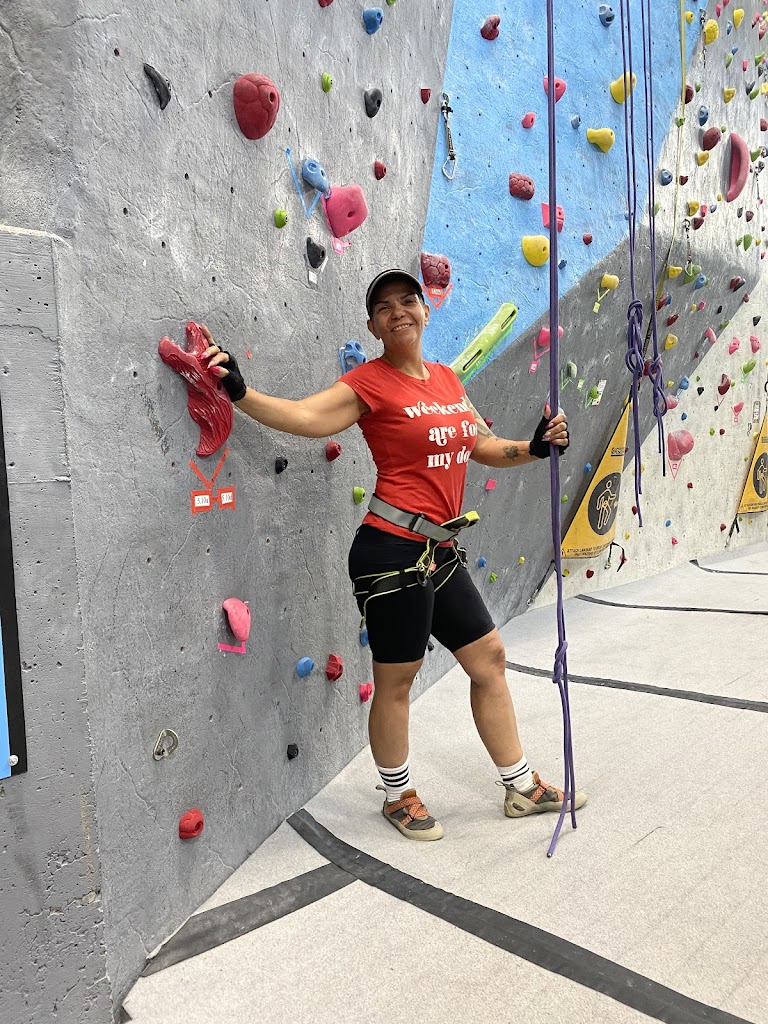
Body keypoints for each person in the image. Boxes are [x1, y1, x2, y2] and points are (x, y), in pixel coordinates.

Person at [200, 269, 587, 842]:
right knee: (398, 679)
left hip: (440, 547)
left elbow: (480, 445)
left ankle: (521, 786)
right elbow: (307, 418)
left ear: (425, 310)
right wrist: (240, 391)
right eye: (384, 307)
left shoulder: (448, 380)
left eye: (408, 300)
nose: (398, 310)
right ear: (373, 325)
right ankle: (397, 795)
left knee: (489, 660)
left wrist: (533, 447)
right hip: (389, 551)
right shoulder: (369, 383)